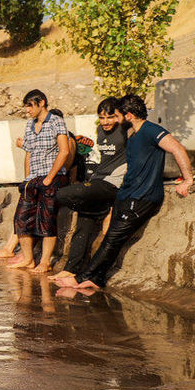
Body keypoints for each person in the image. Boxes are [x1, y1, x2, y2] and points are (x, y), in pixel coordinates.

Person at [57, 94, 193, 290]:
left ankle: (82, 278)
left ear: (128, 115)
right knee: (110, 237)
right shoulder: (133, 134)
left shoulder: (151, 130)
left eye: (118, 115)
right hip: (126, 194)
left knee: (112, 239)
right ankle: (95, 279)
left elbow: (178, 148)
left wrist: (187, 180)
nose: (115, 119)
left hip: (142, 197)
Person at [51, 97, 128, 280]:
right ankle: (71, 269)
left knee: (62, 194)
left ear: (120, 116)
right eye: (102, 117)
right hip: (98, 180)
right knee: (82, 226)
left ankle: (104, 208)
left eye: (111, 117)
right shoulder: (100, 130)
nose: (106, 122)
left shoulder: (127, 131)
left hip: (113, 183)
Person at [9, 90, 72, 273]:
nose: (27, 110)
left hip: (50, 177)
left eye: (30, 105)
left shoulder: (56, 122)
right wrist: (26, 178)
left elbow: (64, 151)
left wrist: (50, 177)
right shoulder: (30, 125)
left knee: (47, 221)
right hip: (33, 178)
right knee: (21, 219)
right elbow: (30, 152)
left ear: (41, 103)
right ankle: (28, 259)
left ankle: (45, 261)